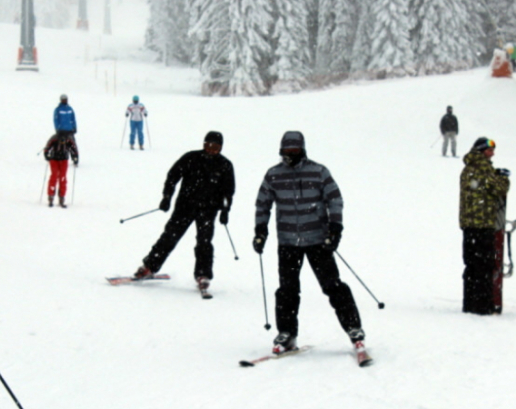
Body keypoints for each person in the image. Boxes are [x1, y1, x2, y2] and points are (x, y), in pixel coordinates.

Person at [253, 131, 369, 363]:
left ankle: (354, 330)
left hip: (318, 240)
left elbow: (335, 198)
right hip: (287, 241)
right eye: (287, 151)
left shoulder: (318, 171)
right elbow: (262, 203)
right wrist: (260, 231)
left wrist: (335, 227)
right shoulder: (273, 175)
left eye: (295, 151)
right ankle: (287, 334)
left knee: (333, 286)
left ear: (303, 150)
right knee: (287, 290)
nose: (291, 155)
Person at [133, 131, 235, 293]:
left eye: (215, 147)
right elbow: (172, 176)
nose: (210, 150)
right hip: (185, 206)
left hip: (208, 210)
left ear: (220, 148)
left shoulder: (225, 165)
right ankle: (149, 267)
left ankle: (203, 275)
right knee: (169, 237)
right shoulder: (191, 158)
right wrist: (167, 197)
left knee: (204, 242)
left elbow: (228, 191)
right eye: (208, 145)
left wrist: (225, 210)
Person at [459, 137, 510, 315]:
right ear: (482, 151)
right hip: (483, 224)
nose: (492, 154)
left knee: (472, 265)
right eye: (489, 151)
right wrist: (503, 178)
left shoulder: (468, 168)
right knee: (485, 265)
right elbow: (499, 189)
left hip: (469, 225)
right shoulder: (482, 168)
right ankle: (483, 305)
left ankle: (470, 303)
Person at [43, 132, 79, 208]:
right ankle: (51, 197)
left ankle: (61, 198)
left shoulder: (69, 139)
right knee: (54, 176)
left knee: (62, 177)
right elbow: (48, 146)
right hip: (54, 159)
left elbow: (73, 148)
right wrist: (46, 154)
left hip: (64, 159)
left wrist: (75, 157)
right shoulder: (54, 138)